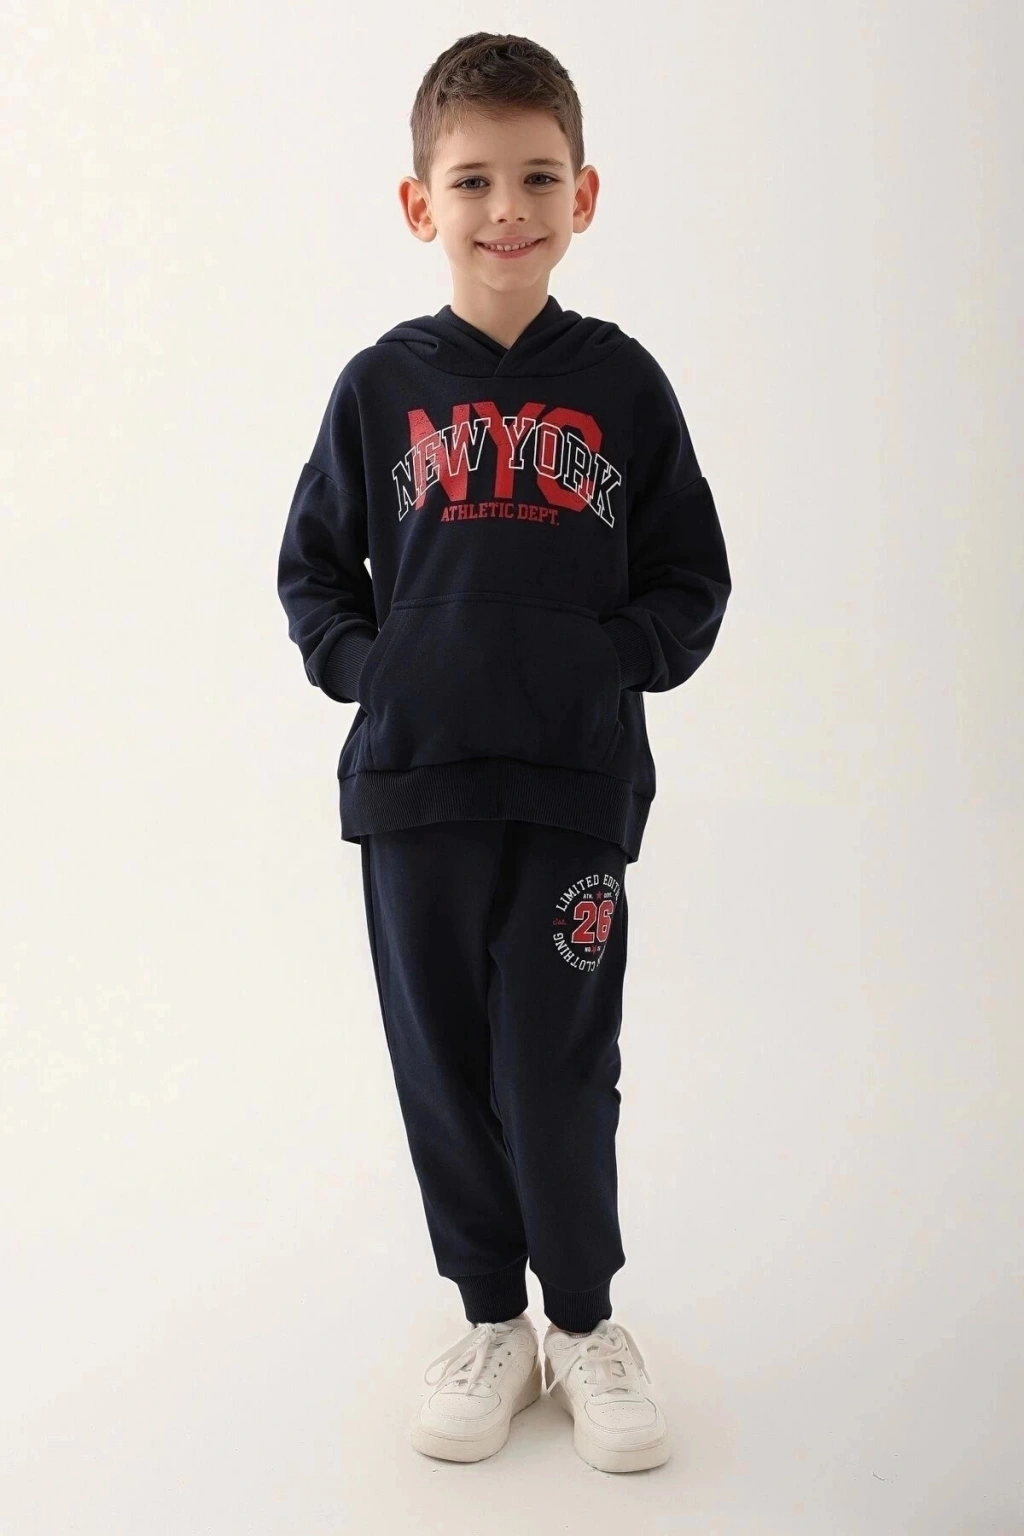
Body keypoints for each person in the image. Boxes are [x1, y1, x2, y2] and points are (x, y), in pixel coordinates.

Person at [277, 31, 731, 1473]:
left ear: (583, 194)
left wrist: (609, 662)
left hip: (573, 788)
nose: (507, 207)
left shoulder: (623, 385)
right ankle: (492, 1319)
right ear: (422, 204)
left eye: (538, 176)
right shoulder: (379, 387)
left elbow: (691, 577)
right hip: (415, 790)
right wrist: (379, 674)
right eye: (473, 179)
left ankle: (585, 1320)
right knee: (443, 1061)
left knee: (558, 1063)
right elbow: (313, 575)